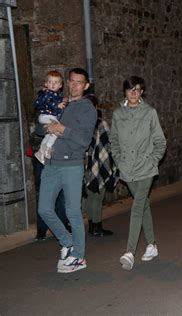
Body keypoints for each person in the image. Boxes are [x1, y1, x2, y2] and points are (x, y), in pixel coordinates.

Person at [37, 68, 97, 273]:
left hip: (72, 166)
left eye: (79, 82)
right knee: (44, 209)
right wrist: (47, 128)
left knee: (73, 212)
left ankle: (79, 256)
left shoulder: (87, 109)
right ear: (66, 82)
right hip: (51, 164)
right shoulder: (57, 102)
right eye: (71, 81)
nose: (74, 85)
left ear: (86, 86)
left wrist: (61, 129)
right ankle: (67, 241)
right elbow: (38, 126)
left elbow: (83, 140)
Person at [110, 76, 167, 271]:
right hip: (127, 167)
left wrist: (152, 160)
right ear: (125, 92)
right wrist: (118, 159)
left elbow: (160, 141)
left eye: (137, 89)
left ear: (142, 92)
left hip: (146, 167)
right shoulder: (118, 114)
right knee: (142, 206)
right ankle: (152, 245)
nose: (133, 93)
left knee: (136, 206)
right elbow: (114, 141)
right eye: (130, 89)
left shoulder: (150, 112)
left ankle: (129, 252)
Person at [83, 97, 119, 237]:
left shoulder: (81, 122)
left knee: (91, 195)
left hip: (85, 165)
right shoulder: (100, 123)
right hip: (97, 164)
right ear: (96, 106)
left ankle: (92, 226)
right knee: (97, 196)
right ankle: (96, 227)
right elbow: (107, 146)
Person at [33, 70, 68, 164]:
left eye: (56, 82)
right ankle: (48, 147)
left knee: (49, 134)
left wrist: (63, 100)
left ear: (60, 85)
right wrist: (57, 106)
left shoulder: (56, 95)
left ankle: (41, 151)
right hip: (46, 116)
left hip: (47, 116)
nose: (53, 84)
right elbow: (48, 103)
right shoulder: (47, 94)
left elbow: (58, 100)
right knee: (57, 129)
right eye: (50, 82)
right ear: (46, 84)